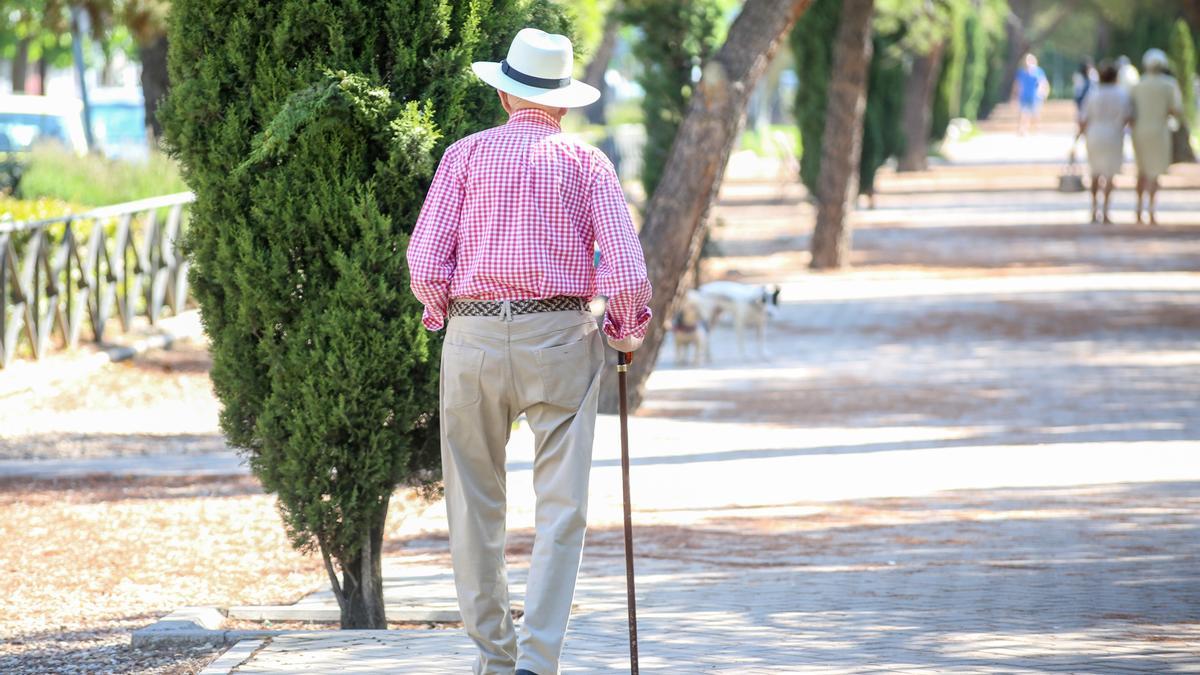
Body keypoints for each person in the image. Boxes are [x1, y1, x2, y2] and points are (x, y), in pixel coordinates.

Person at [407, 28, 652, 675]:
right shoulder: (588, 164)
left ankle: (493, 655)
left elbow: (425, 263)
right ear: (563, 104)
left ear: (503, 95)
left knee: (473, 502)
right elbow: (626, 275)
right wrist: (625, 326)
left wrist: (447, 312)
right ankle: (536, 662)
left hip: (474, 339)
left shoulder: (463, 156)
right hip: (560, 340)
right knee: (562, 508)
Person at [1130, 48, 1184, 225]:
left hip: (1140, 131)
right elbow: (1176, 109)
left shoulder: (1138, 85)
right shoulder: (1169, 84)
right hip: (1159, 131)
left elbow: (1131, 110)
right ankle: (1151, 210)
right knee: (1154, 172)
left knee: (1142, 170)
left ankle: (1138, 209)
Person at [1079, 62, 1131, 224]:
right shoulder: (1122, 94)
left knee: (1095, 173)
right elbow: (1128, 117)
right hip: (1114, 135)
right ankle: (1106, 211)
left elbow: (1083, 118)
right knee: (1110, 175)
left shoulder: (1093, 93)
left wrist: (1080, 135)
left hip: (1095, 135)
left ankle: (1094, 209)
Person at [1014, 53, 1050, 135]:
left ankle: (1036, 129)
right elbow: (1017, 84)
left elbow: (1044, 82)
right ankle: (1022, 129)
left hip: (1036, 96)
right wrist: (1015, 95)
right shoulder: (1021, 72)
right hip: (1024, 95)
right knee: (1023, 113)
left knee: (1036, 113)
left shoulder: (1039, 71)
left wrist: (1045, 93)